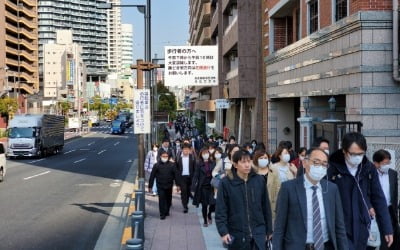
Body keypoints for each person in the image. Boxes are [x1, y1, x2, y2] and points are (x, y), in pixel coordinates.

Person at [328, 132, 393, 250]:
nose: (357, 157)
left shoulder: (368, 168)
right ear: (344, 151)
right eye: (353, 154)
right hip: (340, 226)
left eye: (361, 153)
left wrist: (387, 228)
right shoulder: (332, 168)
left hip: (362, 225)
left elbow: (378, 198)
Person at [273, 148, 348, 250]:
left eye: (324, 164)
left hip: (325, 246)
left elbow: (340, 227)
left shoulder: (331, 189)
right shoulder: (288, 188)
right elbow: (279, 228)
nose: (320, 167)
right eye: (316, 163)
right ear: (304, 163)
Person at [216, 149, 273, 250]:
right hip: (237, 234)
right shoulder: (226, 183)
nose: (247, 165)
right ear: (235, 164)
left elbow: (266, 207)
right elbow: (221, 210)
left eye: (249, 161)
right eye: (243, 162)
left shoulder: (259, 180)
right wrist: (223, 232)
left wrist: (269, 230)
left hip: (258, 234)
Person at [369, 149, 399, 250]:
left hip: (389, 210)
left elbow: (394, 194)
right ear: (376, 163)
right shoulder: (370, 174)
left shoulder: (393, 174)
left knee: (392, 237)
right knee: (376, 237)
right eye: (384, 163)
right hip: (375, 211)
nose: (387, 165)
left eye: (388, 162)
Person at [148, 151, 181, 220]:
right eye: (163, 156)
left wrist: (178, 185)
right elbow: (152, 176)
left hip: (169, 185)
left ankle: (167, 210)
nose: (165, 158)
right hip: (160, 185)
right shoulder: (156, 165)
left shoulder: (172, 165)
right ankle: (162, 214)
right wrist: (150, 186)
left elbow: (176, 175)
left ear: (168, 157)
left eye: (166, 156)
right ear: (160, 157)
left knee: (168, 199)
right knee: (161, 199)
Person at [253, 150, 280, 222]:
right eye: (261, 158)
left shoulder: (273, 171)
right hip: (256, 205)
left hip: (271, 204)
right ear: (256, 159)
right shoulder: (253, 173)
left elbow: (278, 188)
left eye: (265, 158)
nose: (263, 160)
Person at [192, 147, 216, 227]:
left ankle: (209, 214)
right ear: (201, 155)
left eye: (207, 153)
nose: (206, 155)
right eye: (204, 153)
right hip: (202, 186)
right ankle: (205, 220)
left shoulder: (213, 162)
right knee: (204, 205)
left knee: (213, 203)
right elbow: (196, 175)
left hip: (212, 186)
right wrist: (193, 185)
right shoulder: (199, 164)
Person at [175, 143, 196, 213]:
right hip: (182, 178)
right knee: (184, 192)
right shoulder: (178, 158)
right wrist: (177, 182)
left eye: (187, 150)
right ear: (182, 150)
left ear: (189, 150)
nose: (186, 151)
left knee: (188, 191)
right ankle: (185, 206)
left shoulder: (192, 157)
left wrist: (195, 179)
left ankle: (186, 202)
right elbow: (176, 170)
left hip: (190, 177)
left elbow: (195, 168)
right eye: (184, 149)